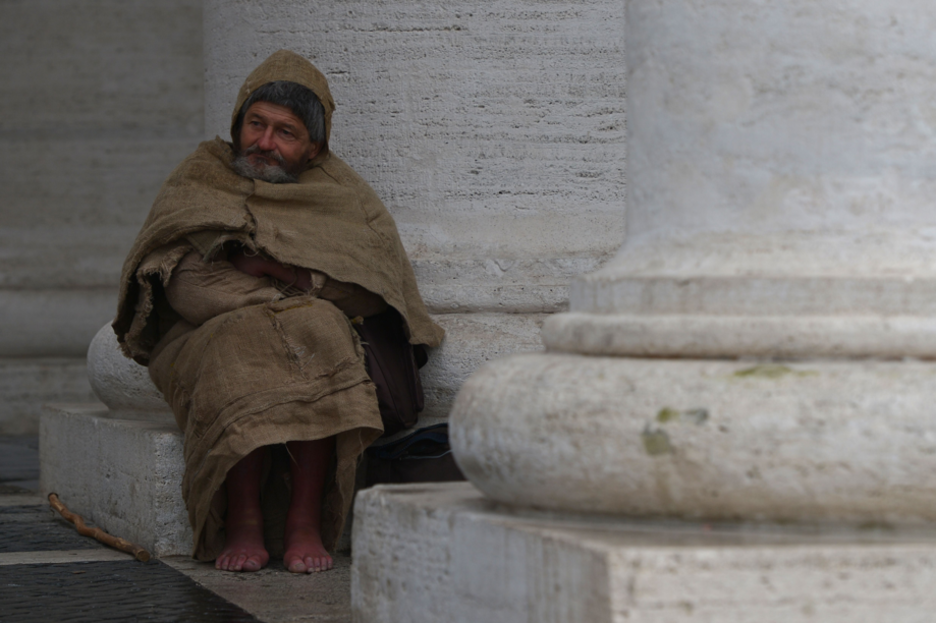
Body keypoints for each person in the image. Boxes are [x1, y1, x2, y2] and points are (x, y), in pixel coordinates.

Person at [113, 50, 444, 574]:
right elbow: (188, 288)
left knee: (317, 331)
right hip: (202, 336)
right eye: (256, 124)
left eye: (285, 133)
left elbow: (373, 292)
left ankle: (305, 520)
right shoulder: (203, 175)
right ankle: (242, 517)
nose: (264, 143)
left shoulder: (343, 197)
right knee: (252, 335)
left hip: (311, 330)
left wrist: (277, 270)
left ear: (314, 148)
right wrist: (293, 300)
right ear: (237, 124)